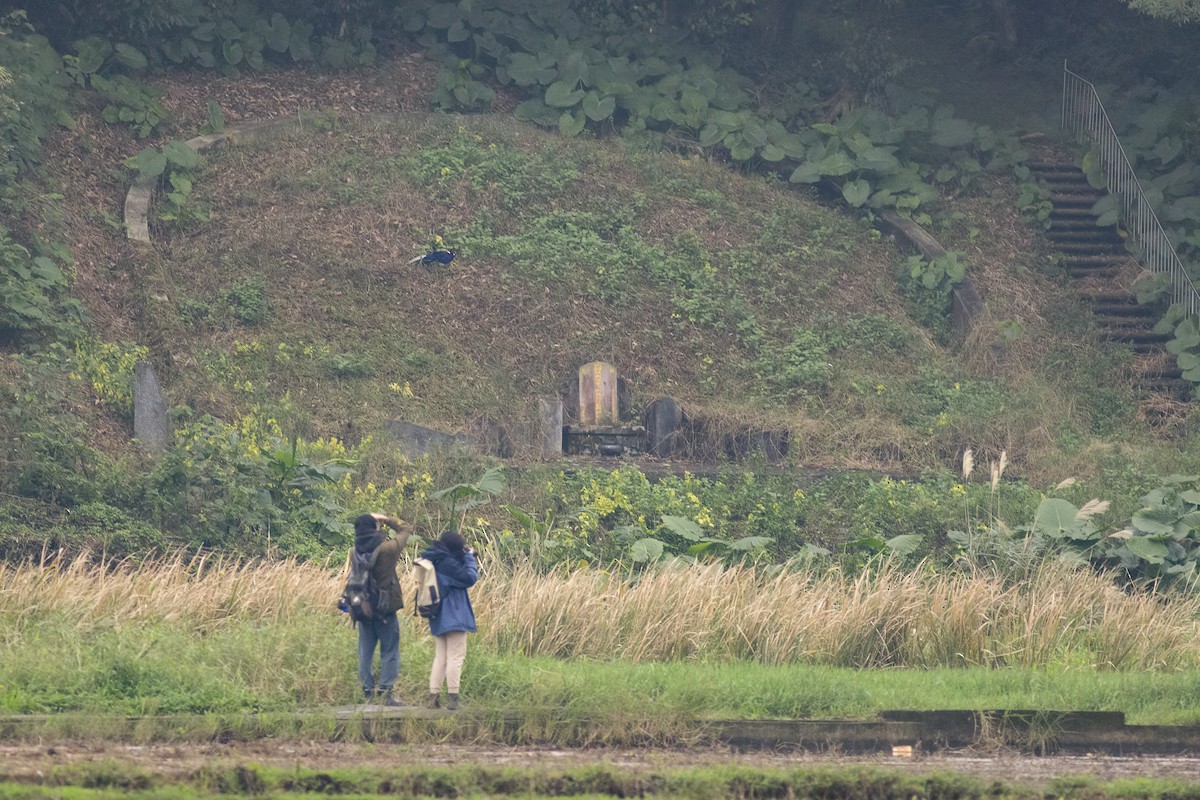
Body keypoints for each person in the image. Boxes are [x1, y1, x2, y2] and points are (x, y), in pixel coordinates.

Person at [348, 512, 412, 706]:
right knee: (390, 649)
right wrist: (387, 519)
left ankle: (368, 693)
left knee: (365, 651)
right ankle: (386, 693)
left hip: (363, 607)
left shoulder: (354, 551)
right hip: (384, 608)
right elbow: (406, 528)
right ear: (375, 528)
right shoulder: (388, 550)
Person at [421, 529, 479, 710]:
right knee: (456, 657)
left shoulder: (436, 560)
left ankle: (433, 697)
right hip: (454, 615)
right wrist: (469, 557)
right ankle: (453, 698)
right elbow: (470, 578)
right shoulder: (449, 564)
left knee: (441, 657)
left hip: (438, 615)